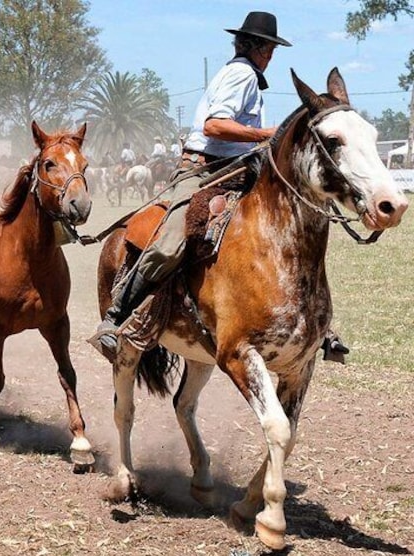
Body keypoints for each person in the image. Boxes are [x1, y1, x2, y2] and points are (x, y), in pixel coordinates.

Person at [91, 11, 352, 360]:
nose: (271, 56)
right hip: (206, 170)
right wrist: (265, 134)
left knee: (293, 230)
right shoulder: (241, 74)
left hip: (239, 168)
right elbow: (214, 126)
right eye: (269, 48)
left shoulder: (250, 77)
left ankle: (310, 323)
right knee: (170, 238)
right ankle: (117, 314)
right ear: (260, 49)